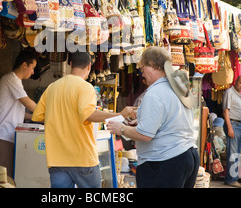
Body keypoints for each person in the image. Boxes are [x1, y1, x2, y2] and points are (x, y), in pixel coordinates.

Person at [31, 52, 136, 188]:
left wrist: (59, 118)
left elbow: (37, 116)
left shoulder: (52, 87)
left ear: (70, 64)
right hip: (82, 159)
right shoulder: (85, 87)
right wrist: (120, 114)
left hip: (57, 160)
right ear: (89, 66)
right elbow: (88, 115)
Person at [107, 46, 199, 188]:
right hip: (187, 156)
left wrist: (122, 129)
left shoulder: (155, 93)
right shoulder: (175, 88)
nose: (141, 74)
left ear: (154, 66)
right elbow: (170, 120)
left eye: (143, 69)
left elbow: (145, 135)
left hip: (165, 161)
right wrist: (142, 122)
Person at [0, 50, 38, 177]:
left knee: (7, 178)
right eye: (33, 68)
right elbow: (28, 104)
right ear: (24, 65)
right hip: (2, 136)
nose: (33, 72)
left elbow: (18, 112)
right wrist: (50, 113)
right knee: (2, 179)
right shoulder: (11, 79)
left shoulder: (17, 83)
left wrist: (37, 117)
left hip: (6, 137)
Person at [222, 75, 241, 188]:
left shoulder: (239, 95)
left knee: (236, 153)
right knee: (232, 153)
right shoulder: (230, 92)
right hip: (233, 124)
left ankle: (232, 178)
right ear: (236, 82)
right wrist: (230, 128)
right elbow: (225, 112)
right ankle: (231, 179)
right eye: (240, 83)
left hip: (239, 126)